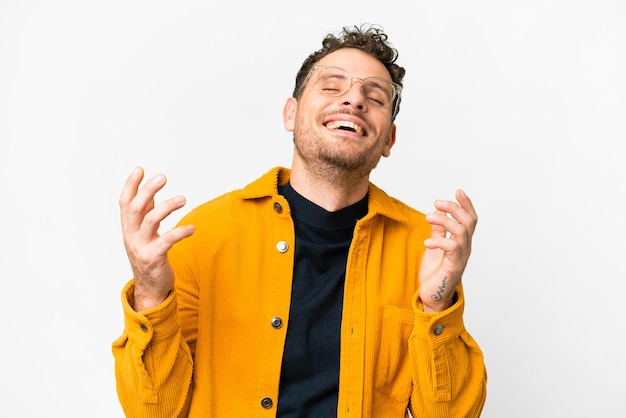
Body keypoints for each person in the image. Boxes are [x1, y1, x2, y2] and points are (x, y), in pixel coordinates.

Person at [112, 23, 487, 418]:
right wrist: (151, 294)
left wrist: (435, 305)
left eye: (375, 97)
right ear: (291, 114)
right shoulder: (205, 234)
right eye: (332, 86)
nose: (354, 100)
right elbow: (153, 411)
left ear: (389, 139)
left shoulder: (423, 248)